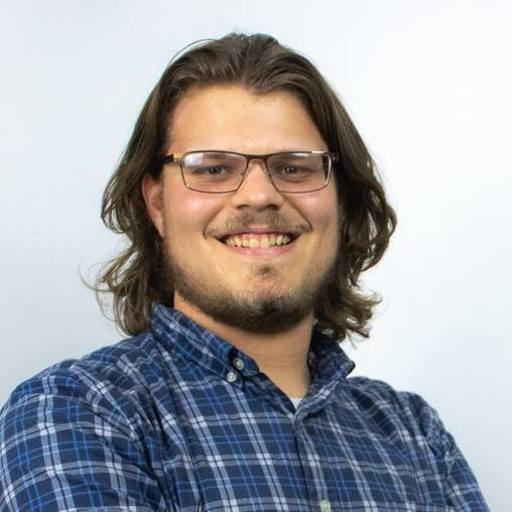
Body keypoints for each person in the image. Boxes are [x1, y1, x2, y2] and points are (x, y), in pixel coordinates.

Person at [0, 33, 489, 512]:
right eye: (213, 169)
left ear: (341, 201)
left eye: (294, 167)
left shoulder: (415, 435)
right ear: (157, 205)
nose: (259, 195)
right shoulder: (77, 410)